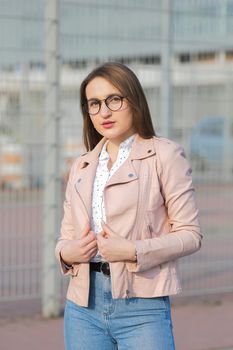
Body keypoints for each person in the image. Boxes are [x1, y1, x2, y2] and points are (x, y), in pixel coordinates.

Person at [55, 62, 202, 350]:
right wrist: (66, 252)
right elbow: (65, 237)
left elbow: (191, 234)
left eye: (114, 99)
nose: (104, 112)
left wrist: (134, 251)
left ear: (133, 100)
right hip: (82, 307)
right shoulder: (81, 166)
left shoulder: (165, 155)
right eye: (94, 104)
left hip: (143, 305)